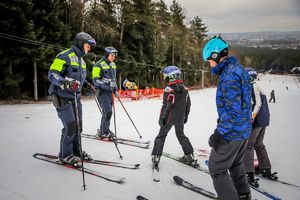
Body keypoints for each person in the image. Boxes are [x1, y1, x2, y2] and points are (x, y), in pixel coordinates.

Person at [202, 37, 252, 200]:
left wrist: (220, 133)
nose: (210, 64)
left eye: (210, 61)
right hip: (243, 129)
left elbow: (232, 110)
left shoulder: (229, 76)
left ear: (217, 56)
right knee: (236, 164)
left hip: (232, 132)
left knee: (217, 168)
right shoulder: (238, 69)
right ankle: (244, 195)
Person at [48, 32, 96, 167]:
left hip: (76, 98)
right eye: (88, 45)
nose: (89, 48)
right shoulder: (64, 56)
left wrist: (86, 84)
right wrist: (66, 83)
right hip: (62, 98)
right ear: (81, 44)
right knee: (70, 127)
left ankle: (76, 151)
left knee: (78, 127)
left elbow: (78, 77)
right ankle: (65, 155)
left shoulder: (81, 60)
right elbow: (52, 74)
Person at [151, 66, 196, 169]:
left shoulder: (168, 89)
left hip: (169, 118)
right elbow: (188, 104)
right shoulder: (185, 89)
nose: (164, 78)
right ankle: (190, 156)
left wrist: (162, 118)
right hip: (180, 118)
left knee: (161, 136)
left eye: (166, 76)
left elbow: (166, 106)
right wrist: (185, 116)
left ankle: (156, 157)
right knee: (181, 135)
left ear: (171, 77)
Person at [244, 68, 277, 187]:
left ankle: (249, 174)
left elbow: (257, 104)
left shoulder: (252, 86)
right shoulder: (257, 85)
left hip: (257, 121)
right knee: (259, 144)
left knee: (249, 145)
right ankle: (265, 168)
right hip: (263, 120)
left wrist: (251, 117)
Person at [92, 47, 119, 139]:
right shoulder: (98, 65)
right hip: (102, 92)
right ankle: (104, 131)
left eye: (114, 55)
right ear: (107, 54)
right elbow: (95, 81)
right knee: (107, 112)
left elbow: (114, 79)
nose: (113, 57)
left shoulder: (113, 65)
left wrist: (115, 89)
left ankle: (103, 130)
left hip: (109, 92)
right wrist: (107, 83)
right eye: (112, 55)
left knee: (107, 112)